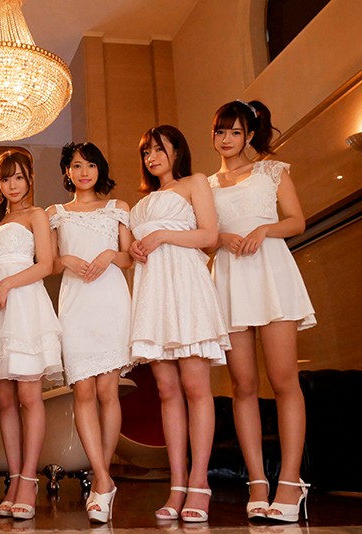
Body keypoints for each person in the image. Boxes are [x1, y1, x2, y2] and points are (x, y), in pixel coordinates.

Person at [209, 100, 314, 522]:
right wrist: (221, 238)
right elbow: (203, 236)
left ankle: (290, 481)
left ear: (249, 135)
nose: (226, 139)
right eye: (220, 131)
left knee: (284, 379)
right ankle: (256, 481)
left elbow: (297, 221)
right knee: (243, 384)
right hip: (230, 277)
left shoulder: (273, 171)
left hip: (270, 270)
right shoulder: (207, 185)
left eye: (235, 132)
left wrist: (265, 228)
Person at [129, 125, 229, 523]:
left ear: (176, 150)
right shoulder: (142, 202)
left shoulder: (194, 182)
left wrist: (162, 236)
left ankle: (199, 483)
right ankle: (176, 485)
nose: (152, 157)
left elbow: (210, 236)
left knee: (195, 387)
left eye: (158, 149)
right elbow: (137, 246)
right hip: (153, 293)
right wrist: (136, 247)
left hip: (186, 287)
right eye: (146, 152)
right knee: (166, 390)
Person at [47, 142, 132, 523]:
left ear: (100, 169)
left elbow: (130, 257)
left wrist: (110, 254)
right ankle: (103, 478)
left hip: (111, 299)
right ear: (67, 171)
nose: (84, 172)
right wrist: (65, 258)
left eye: (91, 165)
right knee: (83, 390)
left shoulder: (118, 207)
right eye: (77, 166)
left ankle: (102, 478)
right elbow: (48, 262)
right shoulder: (55, 213)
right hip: (75, 302)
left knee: (107, 391)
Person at [0, 149, 63, 521]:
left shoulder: (37, 215)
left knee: (30, 396)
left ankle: (30, 480)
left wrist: (7, 283)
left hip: (25, 303)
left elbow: (45, 265)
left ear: (30, 179)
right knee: (4, 399)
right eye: (6, 178)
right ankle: (14, 479)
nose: (12, 185)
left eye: (19, 177)